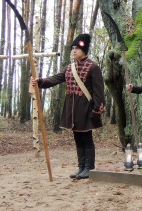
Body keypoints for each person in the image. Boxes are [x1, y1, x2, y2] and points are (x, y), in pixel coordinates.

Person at [31, 33, 105, 179]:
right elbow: (56, 79)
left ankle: (89, 168)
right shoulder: (69, 67)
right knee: (77, 137)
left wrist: (97, 110)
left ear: (84, 50)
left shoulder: (93, 67)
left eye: (77, 48)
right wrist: (40, 82)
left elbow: (99, 92)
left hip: (86, 108)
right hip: (72, 109)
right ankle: (81, 167)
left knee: (86, 138)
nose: (74, 50)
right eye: (73, 48)